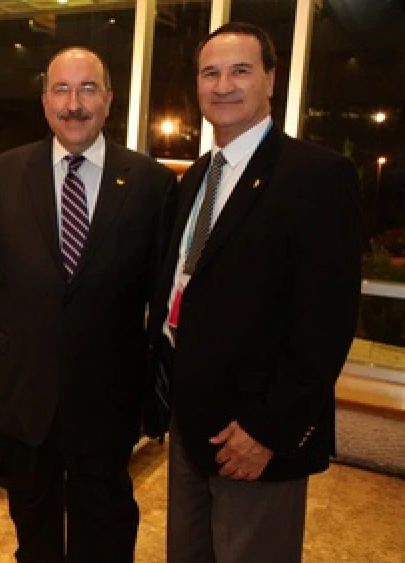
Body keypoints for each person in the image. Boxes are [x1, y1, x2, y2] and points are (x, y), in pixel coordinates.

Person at [0, 47, 177, 563]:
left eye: (88, 89)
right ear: (45, 101)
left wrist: (158, 392)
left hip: (108, 393)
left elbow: (162, 300)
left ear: (109, 99)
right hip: (21, 388)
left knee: (108, 519)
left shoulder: (151, 184)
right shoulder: (4, 175)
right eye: (62, 90)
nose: (74, 104)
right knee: (33, 521)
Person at [148, 22, 361, 563]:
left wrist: (268, 430)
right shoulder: (197, 177)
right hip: (192, 428)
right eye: (210, 72)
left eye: (240, 70)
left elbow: (326, 324)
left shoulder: (316, 177)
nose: (223, 85)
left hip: (256, 438)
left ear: (270, 78)